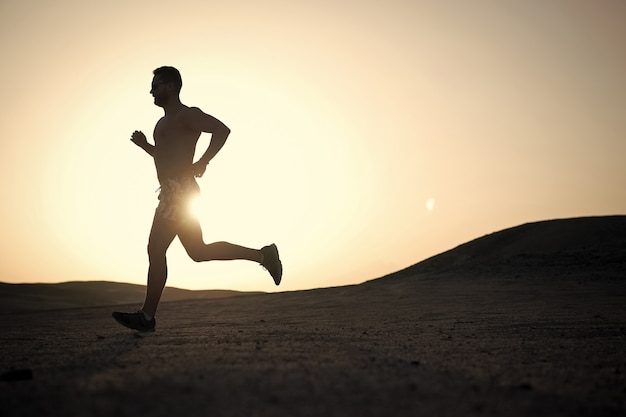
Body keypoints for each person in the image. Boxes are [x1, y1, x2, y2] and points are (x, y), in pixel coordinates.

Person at [112, 66, 282, 332]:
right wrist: (146, 147)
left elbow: (222, 130)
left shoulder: (187, 115)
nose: (151, 91)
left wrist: (203, 161)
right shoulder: (162, 123)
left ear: (170, 86)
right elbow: (166, 157)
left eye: (155, 86)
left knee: (156, 250)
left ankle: (146, 317)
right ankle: (263, 255)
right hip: (173, 192)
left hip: (180, 192)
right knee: (198, 252)